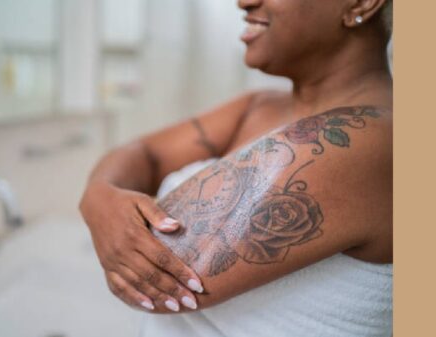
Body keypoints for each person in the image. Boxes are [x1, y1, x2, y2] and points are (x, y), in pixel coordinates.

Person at [79, 0, 392, 335]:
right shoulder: (258, 107)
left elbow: (149, 269)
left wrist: (102, 198)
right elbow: (143, 153)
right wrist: (99, 195)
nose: (244, 2)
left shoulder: (376, 138)